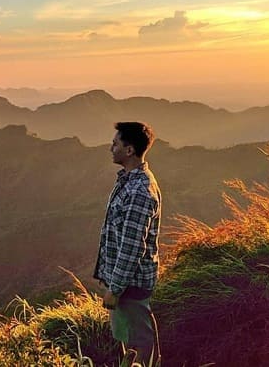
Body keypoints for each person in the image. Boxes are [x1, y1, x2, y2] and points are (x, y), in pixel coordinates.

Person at [93, 122, 162, 366]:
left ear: (130, 150)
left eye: (115, 143)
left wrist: (116, 288)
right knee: (128, 339)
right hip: (124, 283)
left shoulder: (140, 191)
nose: (110, 147)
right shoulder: (128, 181)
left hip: (129, 285)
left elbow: (132, 247)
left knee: (139, 346)